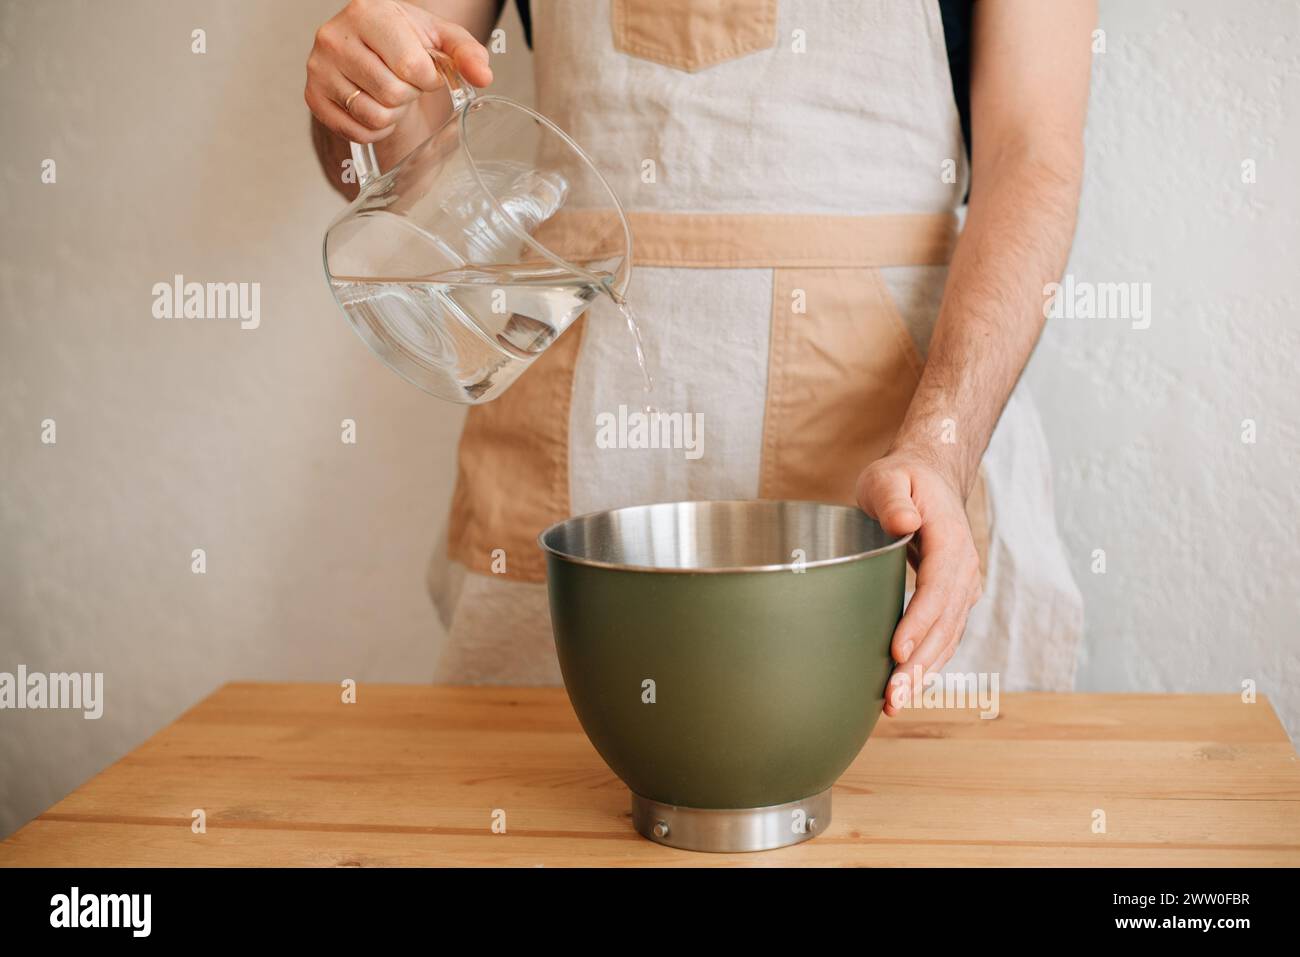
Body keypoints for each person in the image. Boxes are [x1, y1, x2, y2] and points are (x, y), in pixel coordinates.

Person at [306, 0, 1093, 713]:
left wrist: (939, 450)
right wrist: (362, 91)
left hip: (888, 456)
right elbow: (401, 157)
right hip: (576, 463)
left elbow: (1033, 154)